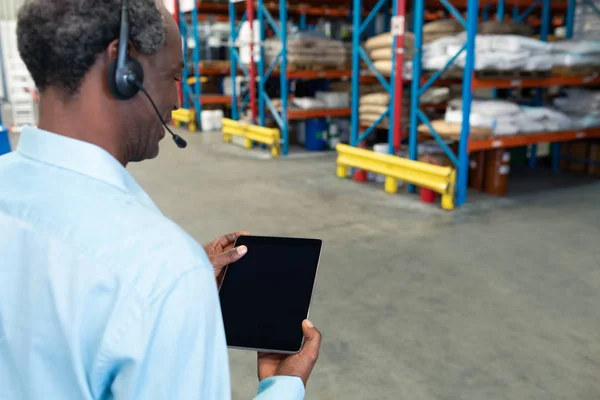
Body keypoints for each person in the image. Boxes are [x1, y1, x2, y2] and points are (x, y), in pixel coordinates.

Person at [0, 0, 321, 399]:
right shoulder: (161, 269)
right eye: (173, 76)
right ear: (124, 70)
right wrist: (285, 385)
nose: (179, 100)